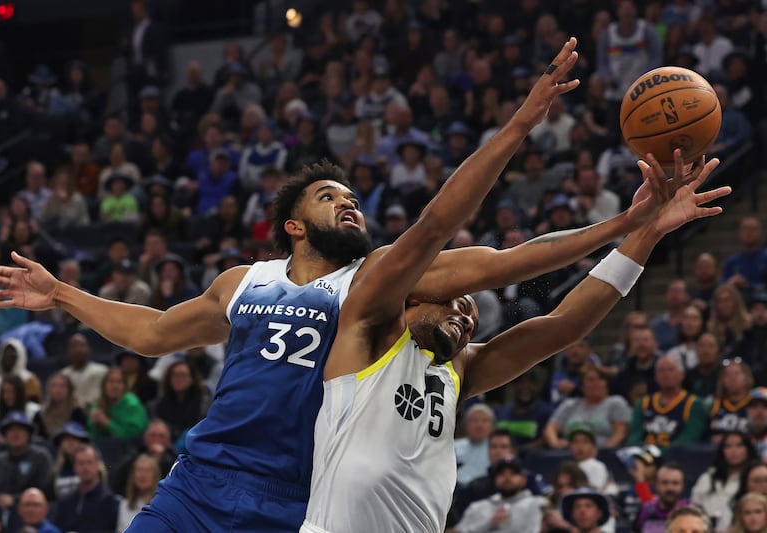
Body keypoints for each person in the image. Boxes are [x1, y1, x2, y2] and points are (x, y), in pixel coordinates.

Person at [0, 39, 726, 532]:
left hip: (294, 496)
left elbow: (512, 266)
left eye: (353, 193)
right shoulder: (245, 280)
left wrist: (630, 226)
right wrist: (63, 296)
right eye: (327, 196)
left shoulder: (377, 288)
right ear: (292, 225)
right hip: (203, 478)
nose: (349, 201)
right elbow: (148, 333)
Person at [300, 119, 728, 533]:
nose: (467, 319)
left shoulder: (459, 369)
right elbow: (435, 226)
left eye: (471, 316)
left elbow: (564, 325)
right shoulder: (368, 325)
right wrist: (526, 123)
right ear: (415, 296)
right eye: (457, 304)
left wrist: (647, 232)